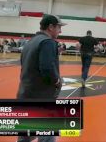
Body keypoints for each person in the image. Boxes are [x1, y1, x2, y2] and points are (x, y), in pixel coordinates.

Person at [16, 14, 66, 142]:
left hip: (25, 94)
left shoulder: (30, 42)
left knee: (25, 136)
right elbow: (47, 69)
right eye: (58, 27)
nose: (60, 31)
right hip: (42, 98)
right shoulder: (48, 42)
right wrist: (57, 81)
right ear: (50, 27)